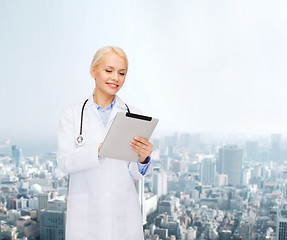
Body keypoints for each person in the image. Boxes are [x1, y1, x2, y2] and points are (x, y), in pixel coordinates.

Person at [57, 46, 153, 240]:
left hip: (123, 217)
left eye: (122, 73)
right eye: (109, 70)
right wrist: (99, 150)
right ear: (93, 71)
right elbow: (64, 162)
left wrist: (143, 158)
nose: (115, 78)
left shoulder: (135, 115)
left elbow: (134, 172)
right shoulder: (73, 114)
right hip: (86, 220)